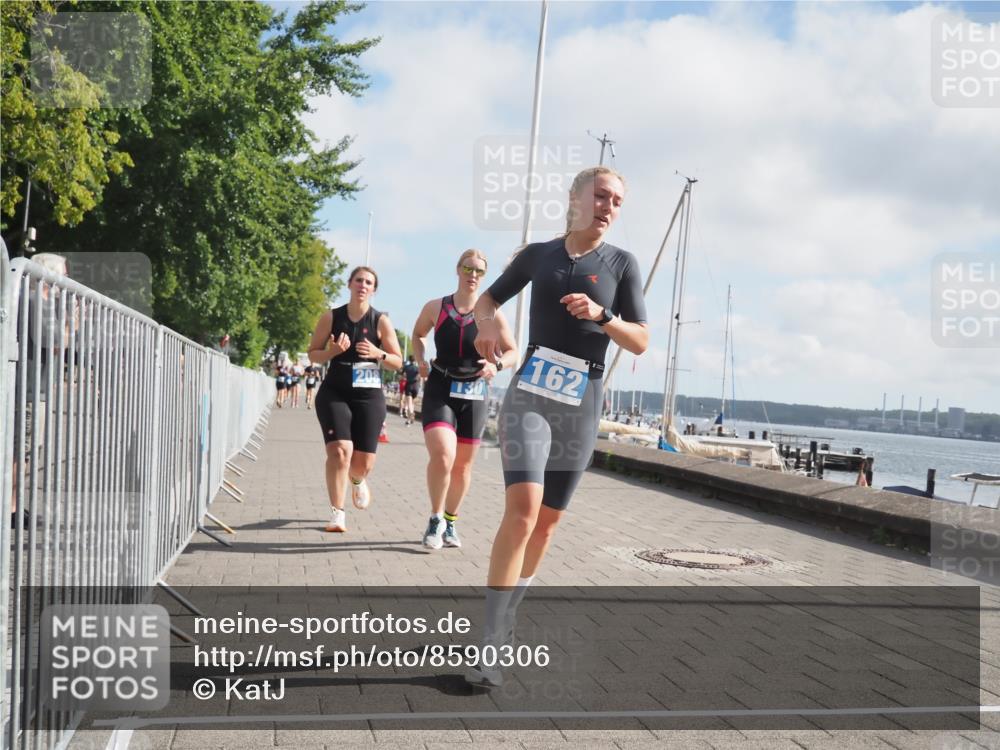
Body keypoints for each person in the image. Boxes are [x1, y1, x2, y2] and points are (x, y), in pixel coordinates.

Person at [468, 166, 649, 686]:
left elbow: (640, 340)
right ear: (575, 197)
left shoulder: (622, 264)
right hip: (531, 392)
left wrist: (602, 315)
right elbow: (488, 300)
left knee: (547, 522)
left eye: (617, 201)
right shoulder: (538, 255)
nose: (608, 207)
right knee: (523, 510)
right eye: (601, 195)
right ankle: (491, 637)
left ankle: (510, 613)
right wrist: (485, 327)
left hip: (582, 399)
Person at [410, 250, 517, 551]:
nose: (473, 275)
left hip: (475, 392)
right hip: (441, 386)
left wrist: (496, 365)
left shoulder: (493, 315)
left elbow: (513, 352)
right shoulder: (436, 307)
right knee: (444, 454)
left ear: (484, 276)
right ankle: (435, 519)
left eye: (479, 271)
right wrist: (420, 360)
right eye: (468, 268)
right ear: (458, 270)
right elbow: (418, 334)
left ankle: (450, 520)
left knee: (462, 467)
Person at [307, 266, 403, 533]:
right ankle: (337, 513)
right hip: (335, 392)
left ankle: (358, 480)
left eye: (369, 282)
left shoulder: (380, 321)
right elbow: (313, 354)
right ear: (349, 284)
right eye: (358, 280)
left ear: (374, 290)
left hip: (368, 395)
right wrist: (332, 351)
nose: (363, 285)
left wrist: (378, 353)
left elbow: (397, 361)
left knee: (362, 464)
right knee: (340, 451)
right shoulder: (331, 317)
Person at [401, 355, 420, 424]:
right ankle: (410, 418)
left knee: (409, 403)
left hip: (409, 385)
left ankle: (410, 416)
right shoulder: (417, 368)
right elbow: (419, 375)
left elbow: (402, 373)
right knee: (412, 402)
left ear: (409, 360)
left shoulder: (406, 367)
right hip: (416, 385)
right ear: (415, 360)